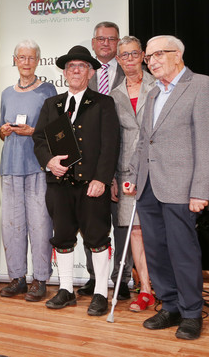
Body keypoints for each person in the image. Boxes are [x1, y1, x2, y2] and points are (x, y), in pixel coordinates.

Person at [124, 35, 209, 340]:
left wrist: (200, 190)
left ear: (177, 55)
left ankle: (192, 312)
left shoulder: (202, 86)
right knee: (155, 251)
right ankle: (170, 305)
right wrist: (132, 174)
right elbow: (144, 142)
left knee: (183, 252)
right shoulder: (153, 93)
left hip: (182, 188)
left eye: (157, 55)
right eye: (148, 57)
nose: (151, 61)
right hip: (149, 186)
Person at [33, 46, 120, 316]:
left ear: (91, 72)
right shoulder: (52, 104)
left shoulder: (103, 103)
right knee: (62, 238)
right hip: (59, 186)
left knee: (97, 238)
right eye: (71, 66)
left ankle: (100, 293)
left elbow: (111, 145)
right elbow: (39, 140)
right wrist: (49, 162)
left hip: (91, 185)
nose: (75, 70)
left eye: (81, 66)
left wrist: (102, 179)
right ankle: (66, 289)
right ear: (64, 72)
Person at [0, 40, 56, 302]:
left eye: (31, 58)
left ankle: (40, 278)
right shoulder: (6, 93)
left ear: (38, 61)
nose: (26, 62)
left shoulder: (48, 91)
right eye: (21, 57)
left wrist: (32, 131)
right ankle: (17, 277)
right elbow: (0, 130)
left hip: (36, 166)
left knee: (40, 224)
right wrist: (4, 130)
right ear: (15, 60)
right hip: (9, 167)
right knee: (12, 226)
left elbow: (56, 131)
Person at [80, 20, 129, 299]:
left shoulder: (133, 72)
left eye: (112, 39)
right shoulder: (84, 74)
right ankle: (94, 277)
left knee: (121, 224)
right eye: (101, 39)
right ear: (93, 42)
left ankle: (120, 279)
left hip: (123, 159)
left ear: (118, 42)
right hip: (90, 162)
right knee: (92, 223)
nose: (106, 43)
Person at [110, 36, 156, 312]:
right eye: (123, 55)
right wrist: (113, 177)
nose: (128, 59)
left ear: (142, 56)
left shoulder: (159, 86)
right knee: (135, 231)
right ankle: (147, 290)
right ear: (118, 60)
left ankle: (167, 285)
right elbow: (114, 139)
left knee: (158, 230)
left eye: (133, 54)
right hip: (127, 170)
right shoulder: (115, 95)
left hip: (158, 167)